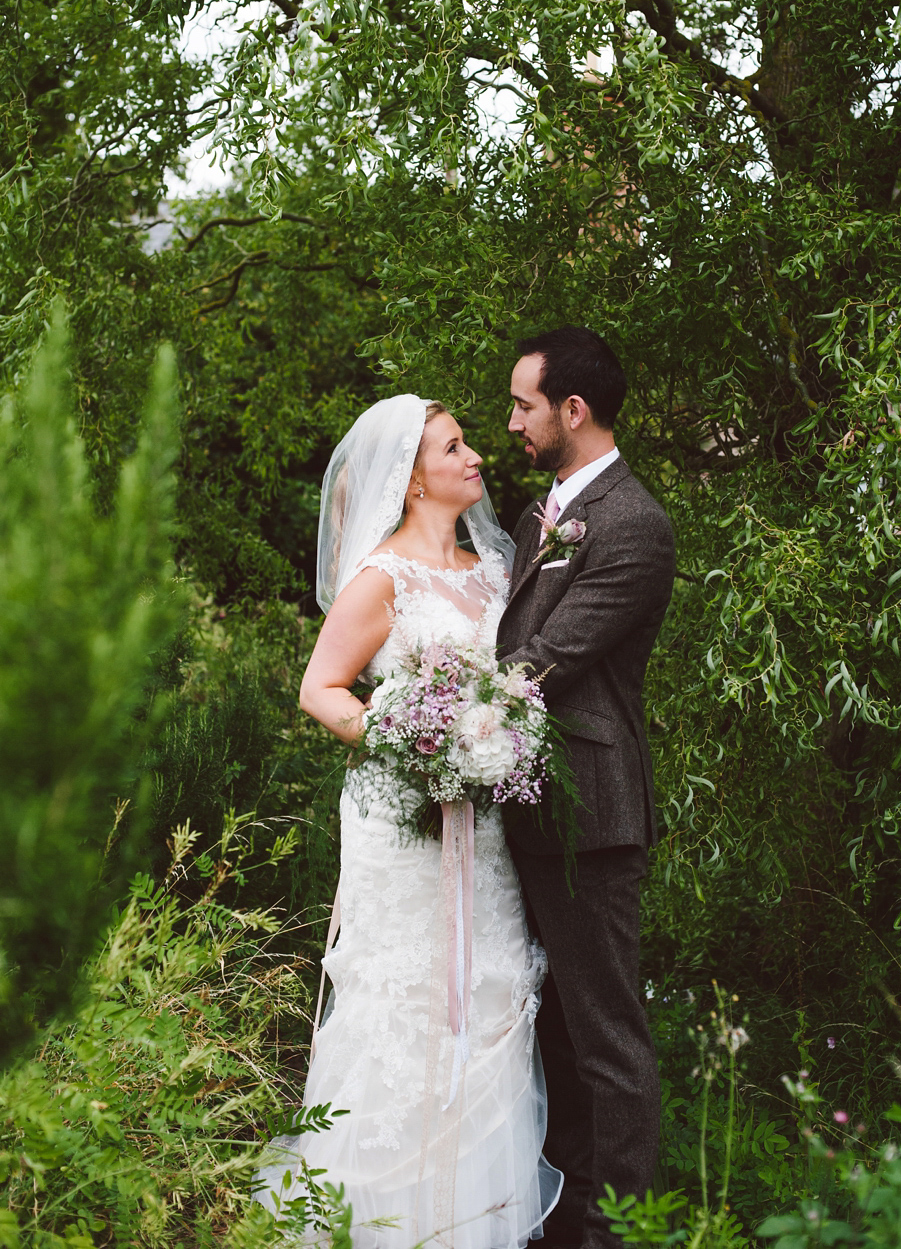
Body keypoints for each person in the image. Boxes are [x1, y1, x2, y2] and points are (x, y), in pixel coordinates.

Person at [255, 394, 561, 1248]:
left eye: (466, 442)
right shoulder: (381, 578)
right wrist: (409, 745)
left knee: (493, 991)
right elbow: (320, 690)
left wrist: (488, 746)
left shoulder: (499, 571)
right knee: (406, 1002)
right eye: (454, 447)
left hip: (489, 824)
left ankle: (471, 1223)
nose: (475, 458)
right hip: (404, 824)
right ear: (413, 478)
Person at [498, 327, 676, 1249]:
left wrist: (439, 713)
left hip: (593, 815)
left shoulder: (634, 523)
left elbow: (550, 659)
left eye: (524, 404)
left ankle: (622, 1234)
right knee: (549, 1033)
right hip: (523, 807)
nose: (513, 421)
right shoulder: (538, 516)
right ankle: (562, 1221)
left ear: (573, 409)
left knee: (607, 1039)